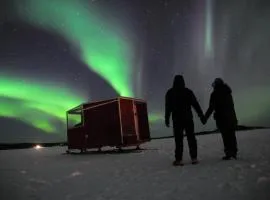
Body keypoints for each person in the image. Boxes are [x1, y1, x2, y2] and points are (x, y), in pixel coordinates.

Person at [165, 75, 204, 166]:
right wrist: (200, 115)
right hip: (188, 119)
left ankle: (179, 160)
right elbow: (195, 104)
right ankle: (194, 158)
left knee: (178, 140)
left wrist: (167, 118)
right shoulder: (188, 92)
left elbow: (168, 107)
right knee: (191, 138)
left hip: (177, 120)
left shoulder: (170, 93)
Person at [204, 78, 238, 160]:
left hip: (222, 119)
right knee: (232, 135)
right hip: (231, 118)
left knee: (226, 136)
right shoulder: (228, 93)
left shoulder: (215, 94)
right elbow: (231, 107)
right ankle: (234, 152)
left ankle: (229, 153)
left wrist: (205, 118)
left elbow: (211, 108)